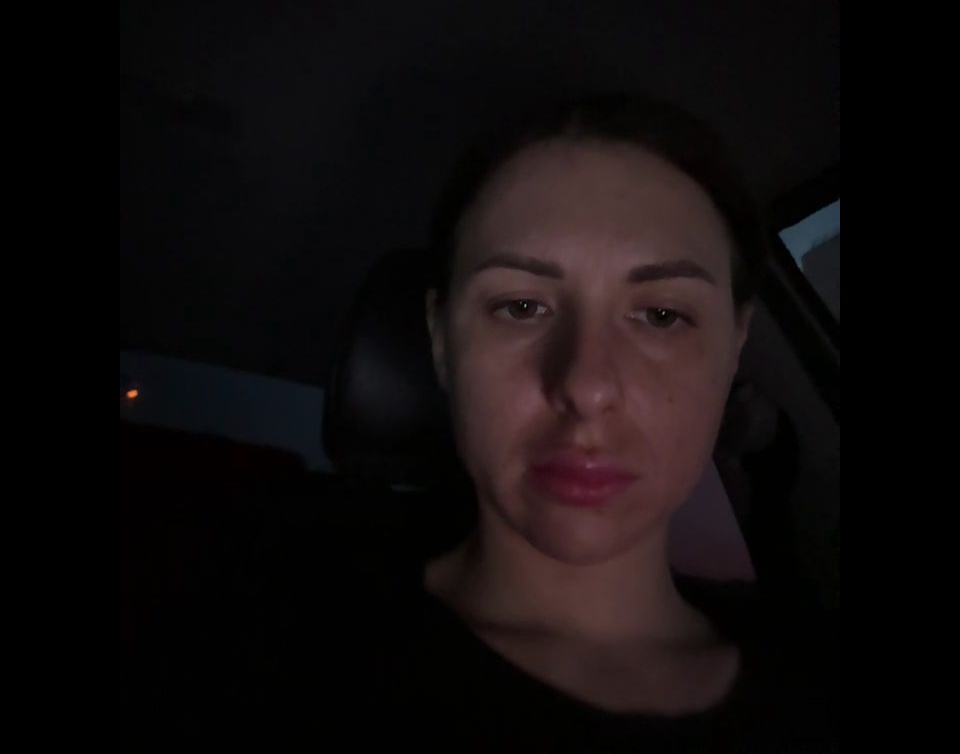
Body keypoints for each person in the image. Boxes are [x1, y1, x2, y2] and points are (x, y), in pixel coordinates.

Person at [134, 95, 835, 752]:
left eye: (661, 315)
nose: (586, 386)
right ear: (441, 340)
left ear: (734, 347)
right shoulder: (253, 632)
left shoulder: (811, 680)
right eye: (521, 307)